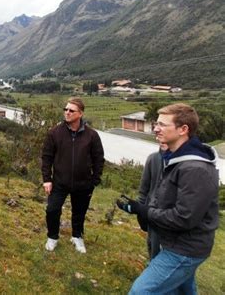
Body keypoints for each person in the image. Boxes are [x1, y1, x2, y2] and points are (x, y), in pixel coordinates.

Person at [117, 103, 219, 294]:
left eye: (162, 125)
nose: (156, 128)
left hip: (184, 248)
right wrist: (139, 209)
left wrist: (145, 211)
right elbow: (163, 197)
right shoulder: (173, 158)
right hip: (173, 240)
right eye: (156, 123)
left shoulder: (194, 168)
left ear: (183, 129)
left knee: (141, 292)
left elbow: (184, 218)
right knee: (183, 289)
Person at [41, 97, 104, 253]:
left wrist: (94, 180)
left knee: (79, 213)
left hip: (83, 183)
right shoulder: (54, 133)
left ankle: (77, 237)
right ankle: (52, 237)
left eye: (71, 110)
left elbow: (98, 158)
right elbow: (47, 157)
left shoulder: (92, 135)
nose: (67, 112)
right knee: (52, 210)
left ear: (80, 113)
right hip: (59, 182)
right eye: (66, 109)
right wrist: (47, 179)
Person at [137, 142, 168, 260]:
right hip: (152, 214)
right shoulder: (153, 158)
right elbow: (143, 190)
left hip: (171, 217)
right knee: (152, 245)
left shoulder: (183, 162)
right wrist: (141, 213)